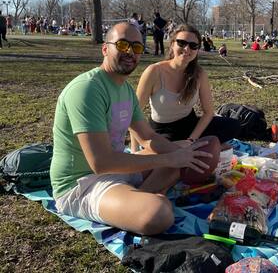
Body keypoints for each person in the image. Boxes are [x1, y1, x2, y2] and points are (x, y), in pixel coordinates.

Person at [50, 22, 214, 235]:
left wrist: (181, 153)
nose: (130, 52)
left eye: (136, 47)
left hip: (117, 172)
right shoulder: (87, 89)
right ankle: (139, 202)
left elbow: (148, 137)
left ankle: (135, 198)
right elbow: (100, 163)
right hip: (82, 185)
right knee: (160, 214)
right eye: (123, 44)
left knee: (179, 153)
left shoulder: (125, 90)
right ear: (105, 48)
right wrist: (167, 159)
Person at [132, 24, 240, 148]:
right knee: (168, 152)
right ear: (172, 44)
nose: (187, 49)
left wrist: (191, 140)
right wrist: (135, 151)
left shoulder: (199, 74)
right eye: (181, 43)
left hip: (190, 125)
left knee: (233, 125)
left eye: (193, 46)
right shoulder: (154, 71)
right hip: (163, 131)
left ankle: (191, 146)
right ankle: (187, 148)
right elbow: (135, 114)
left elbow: (208, 112)